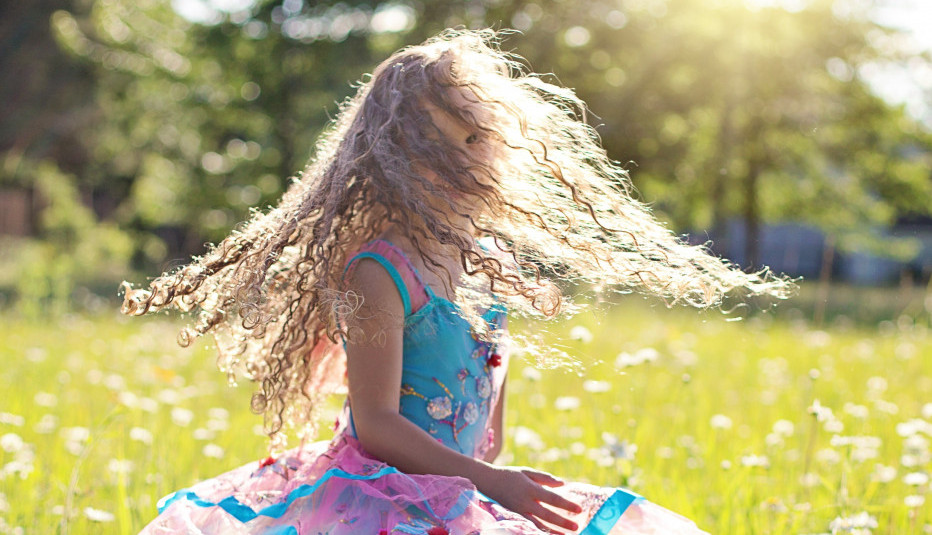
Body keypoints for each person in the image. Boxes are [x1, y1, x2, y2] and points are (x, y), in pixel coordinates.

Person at [122, 28, 790, 534]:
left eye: (476, 140)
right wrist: (489, 480)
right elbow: (376, 425)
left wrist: (490, 478)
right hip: (380, 499)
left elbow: (488, 417)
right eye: (438, 148)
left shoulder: (486, 263)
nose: (465, 163)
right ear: (393, 159)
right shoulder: (377, 272)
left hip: (457, 491)